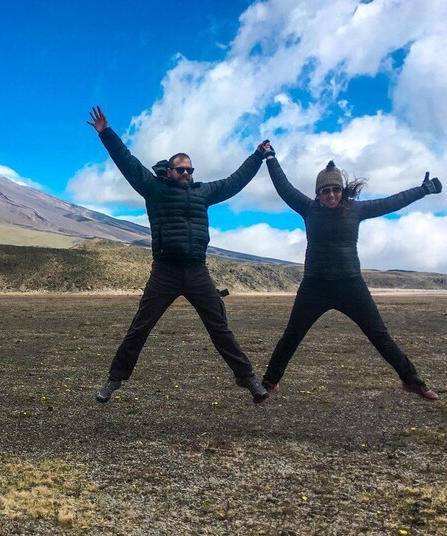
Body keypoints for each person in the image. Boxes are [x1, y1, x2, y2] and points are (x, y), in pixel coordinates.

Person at [87, 106, 271, 405]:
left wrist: (256, 157)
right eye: (180, 169)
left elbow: (235, 181)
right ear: (169, 171)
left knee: (219, 328)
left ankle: (248, 379)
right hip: (165, 272)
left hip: (197, 271)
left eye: (190, 169)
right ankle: (114, 380)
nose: (186, 173)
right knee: (141, 327)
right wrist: (105, 132)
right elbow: (128, 163)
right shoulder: (154, 190)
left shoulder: (203, 193)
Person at [261, 143, 440, 401]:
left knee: (380, 336)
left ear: (342, 191)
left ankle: (412, 381)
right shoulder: (309, 208)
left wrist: (423, 190)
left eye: (335, 189)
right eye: (325, 191)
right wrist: (270, 158)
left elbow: (391, 202)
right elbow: (284, 187)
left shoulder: (356, 209)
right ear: (318, 193)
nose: (331, 195)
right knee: (292, 335)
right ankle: (269, 382)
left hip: (351, 285)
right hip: (315, 285)